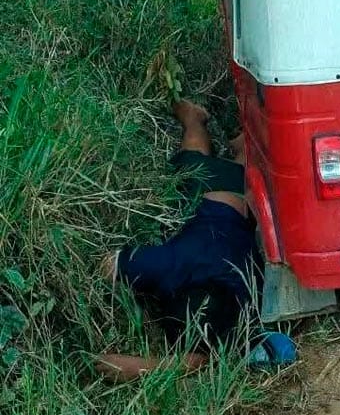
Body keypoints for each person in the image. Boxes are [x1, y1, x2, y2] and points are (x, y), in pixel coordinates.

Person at [95, 100, 263, 382]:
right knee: (193, 165)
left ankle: (227, 134)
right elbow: (111, 264)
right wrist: (138, 366)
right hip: (219, 201)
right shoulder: (173, 263)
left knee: (212, 166)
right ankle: (196, 120)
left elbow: (202, 359)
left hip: (245, 212)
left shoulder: (247, 295)